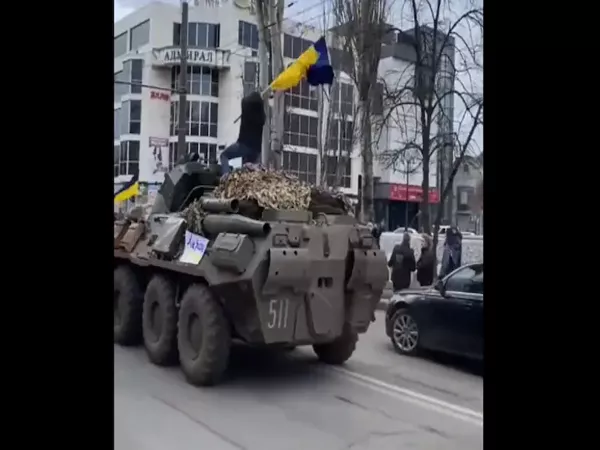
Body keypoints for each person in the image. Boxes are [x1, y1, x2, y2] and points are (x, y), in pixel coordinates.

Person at [220, 91, 266, 175]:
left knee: (224, 155)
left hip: (243, 145)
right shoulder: (261, 117)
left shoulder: (246, 113)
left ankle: (226, 177)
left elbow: (244, 101)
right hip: (256, 150)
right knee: (249, 171)